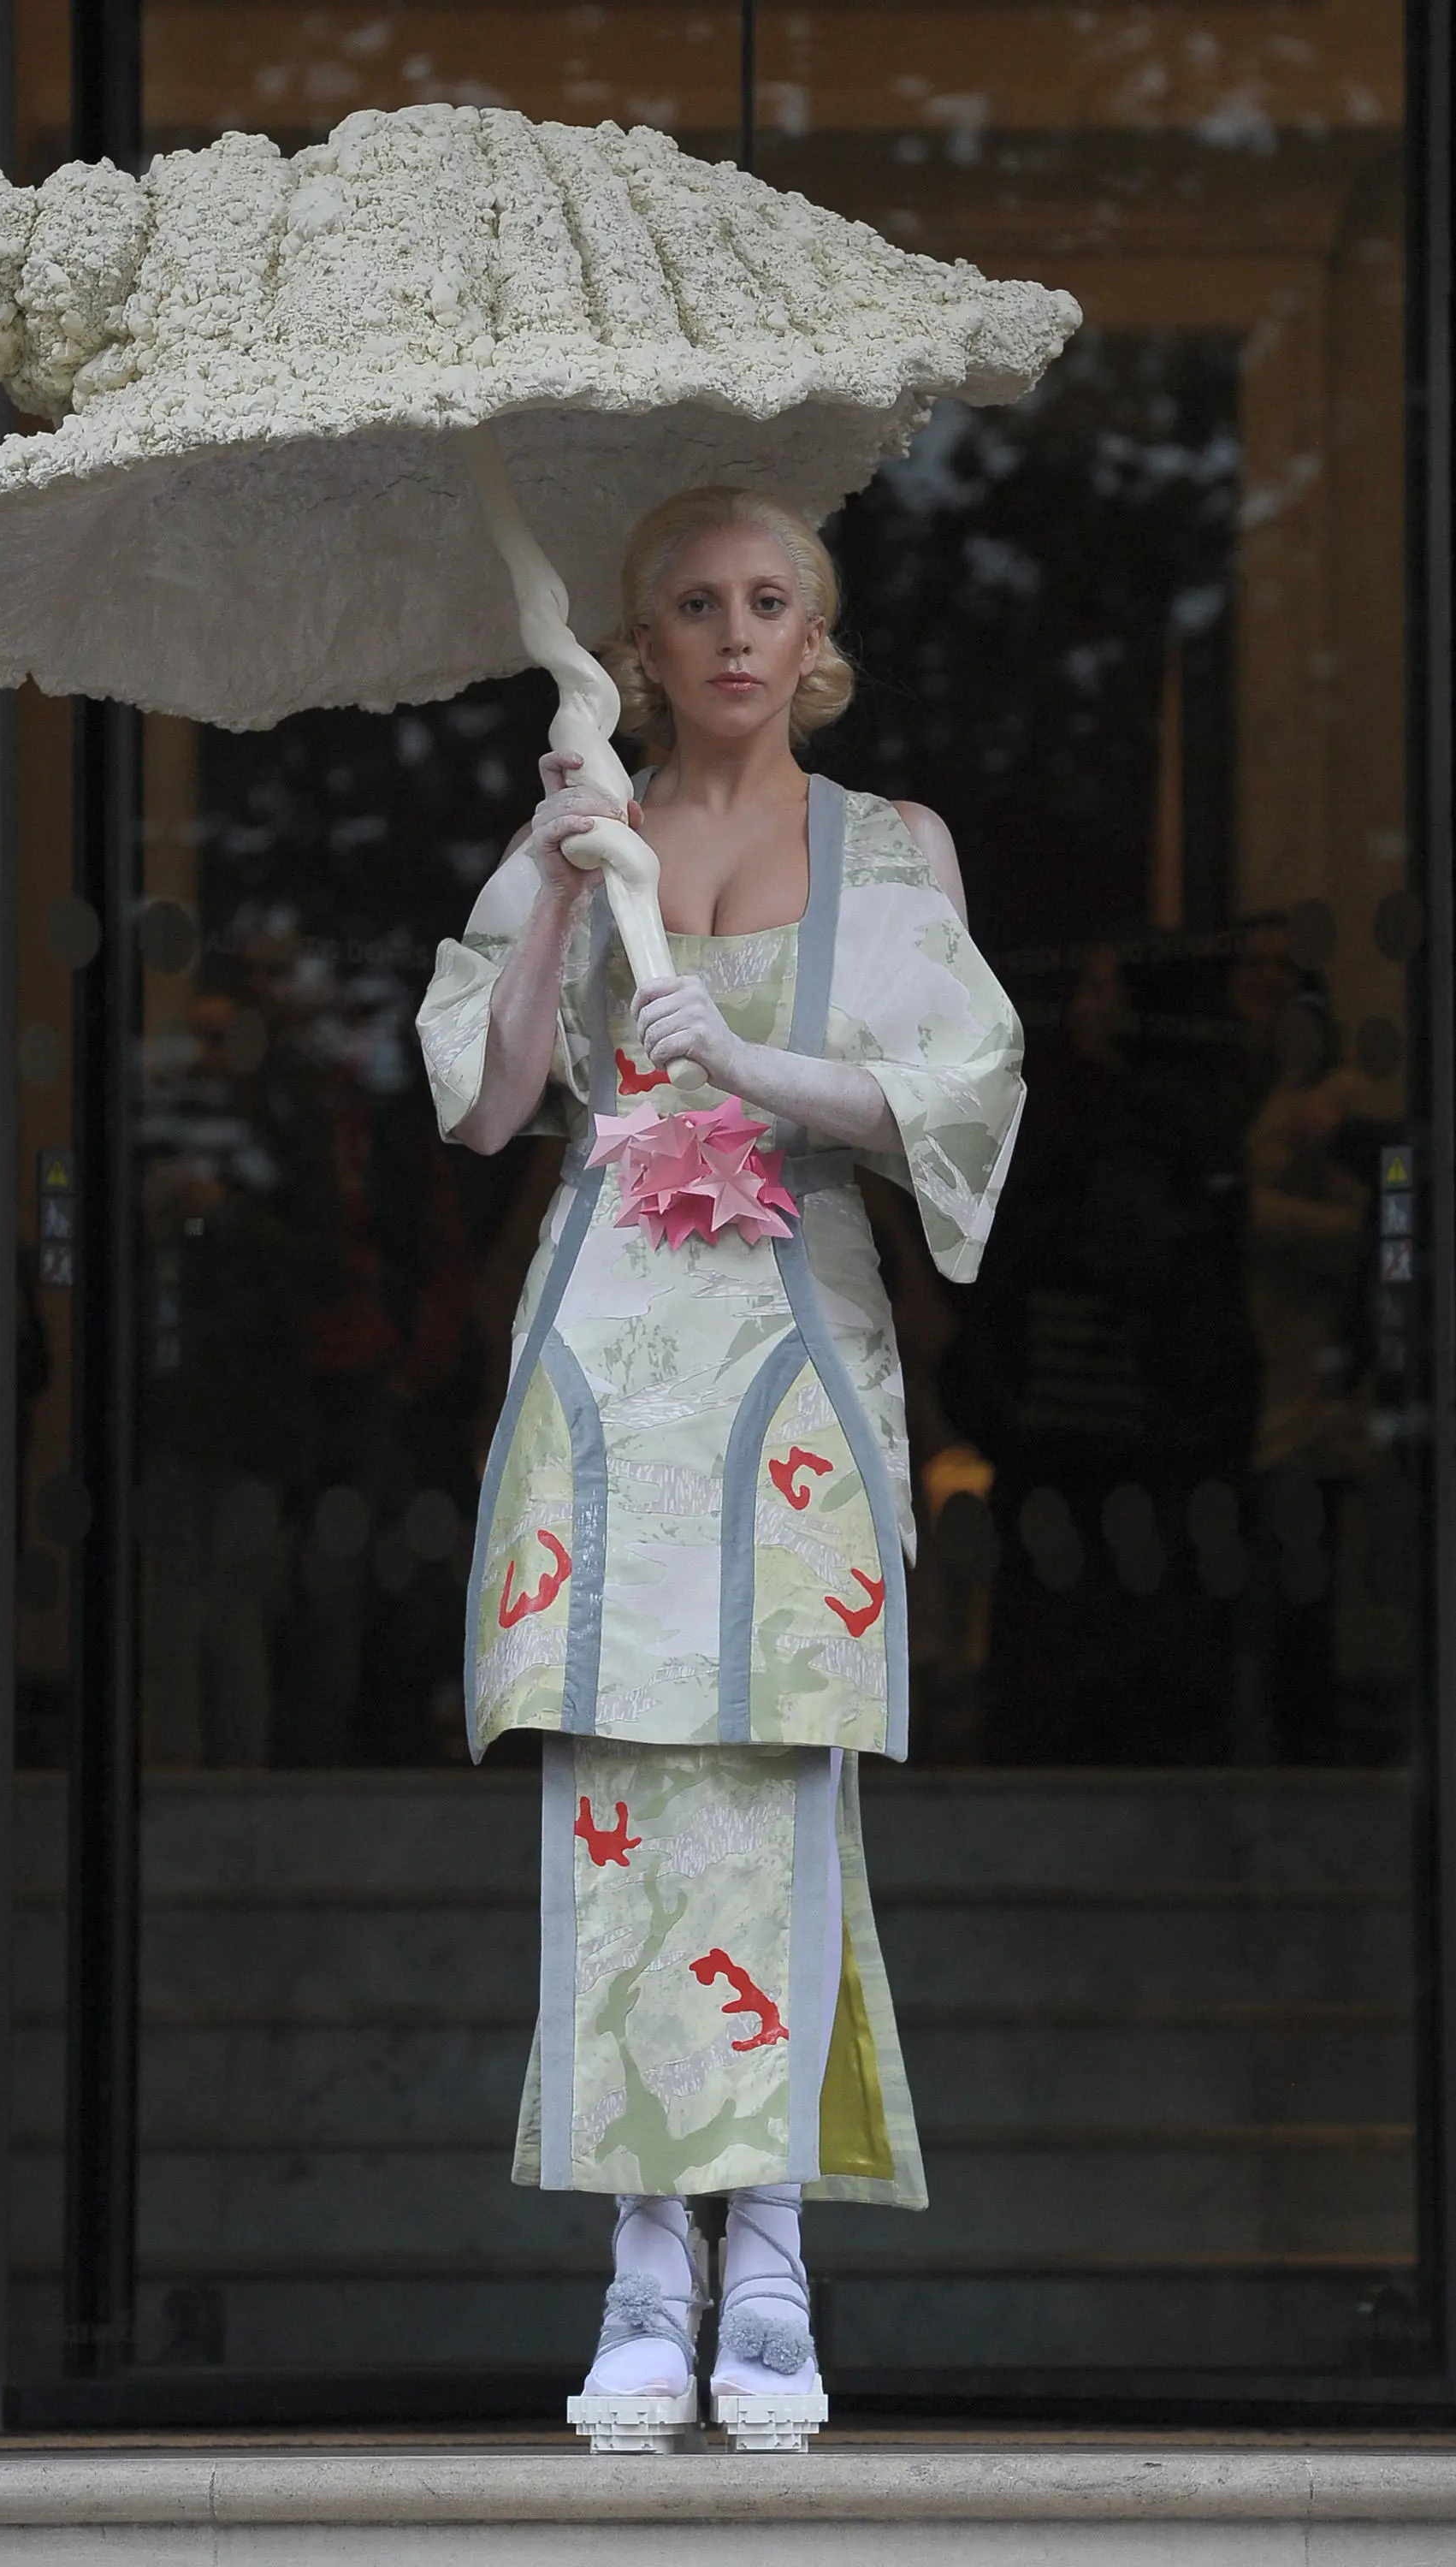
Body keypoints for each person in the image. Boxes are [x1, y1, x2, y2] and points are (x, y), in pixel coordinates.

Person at [416, 486, 1023, 2448]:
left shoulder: (888, 845)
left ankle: (762, 2253)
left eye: (772, 600)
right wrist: (558, 886)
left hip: (793, 1362)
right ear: (640, 639)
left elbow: (959, 1095)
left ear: (817, 630)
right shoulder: (579, 830)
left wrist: (747, 1063)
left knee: (782, 1781)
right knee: (610, 1791)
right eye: (695, 604)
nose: (738, 633)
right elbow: (490, 1101)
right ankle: (636, 2267)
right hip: (605, 1358)